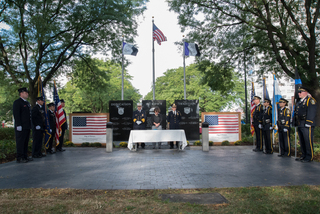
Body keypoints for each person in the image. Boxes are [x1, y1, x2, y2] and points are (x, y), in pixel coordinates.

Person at [293, 86, 317, 163]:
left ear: (306, 92)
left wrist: (309, 122)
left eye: (301, 92)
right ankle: (303, 155)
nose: (299, 93)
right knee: (302, 140)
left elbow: (311, 111)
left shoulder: (310, 100)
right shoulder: (300, 101)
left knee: (308, 140)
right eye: (298, 92)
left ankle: (309, 157)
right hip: (300, 123)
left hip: (306, 123)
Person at [13, 87, 33, 163]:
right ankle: (19, 157)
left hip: (27, 126)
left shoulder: (27, 103)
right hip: (21, 126)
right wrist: (18, 124)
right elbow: (16, 114)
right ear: (21, 93)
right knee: (20, 142)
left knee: (25, 142)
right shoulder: (17, 102)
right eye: (25, 93)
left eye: (27, 93)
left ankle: (25, 156)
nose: (27, 94)